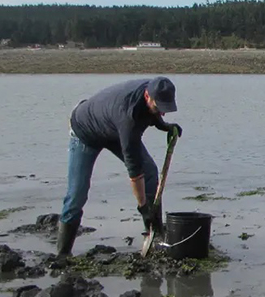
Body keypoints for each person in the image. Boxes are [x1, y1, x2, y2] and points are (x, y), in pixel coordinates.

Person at [57, 77, 183, 256]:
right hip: (85, 131)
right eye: (159, 108)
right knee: (77, 193)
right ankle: (62, 254)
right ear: (147, 96)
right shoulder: (128, 118)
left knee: (151, 171)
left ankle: (154, 233)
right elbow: (135, 173)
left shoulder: (154, 88)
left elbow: (150, 112)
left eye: (166, 108)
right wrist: (142, 207)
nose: (162, 113)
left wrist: (164, 126)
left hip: (112, 127)